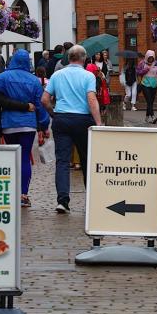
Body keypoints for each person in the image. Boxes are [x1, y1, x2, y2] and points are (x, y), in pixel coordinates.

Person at [0, 49, 49, 207]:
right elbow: (40, 105)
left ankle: (14, 192)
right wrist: (43, 125)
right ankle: (23, 194)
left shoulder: (4, 77)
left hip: (9, 124)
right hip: (28, 125)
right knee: (25, 158)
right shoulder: (34, 80)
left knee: (14, 158)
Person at [41, 45, 102, 213]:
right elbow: (91, 99)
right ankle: (91, 198)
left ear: (69, 58)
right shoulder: (88, 75)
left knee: (62, 160)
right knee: (86, 159)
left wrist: (53, 114)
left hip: (61, 118)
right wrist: (99, 123)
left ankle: (62, 200)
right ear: (83, 59)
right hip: (82, 119)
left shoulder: (57, 75)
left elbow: (45, 99)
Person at [137, 51, 157, 124]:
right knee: (149, 100)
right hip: (145, 84)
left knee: (151, 102)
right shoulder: (142, 63)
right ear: (146, 57)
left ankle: (147, 117)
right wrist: (144, 71)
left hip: (154, 85)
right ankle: (153, 116)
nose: (151, 59)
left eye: (152, 58)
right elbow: (138, 71)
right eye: (149, 58)